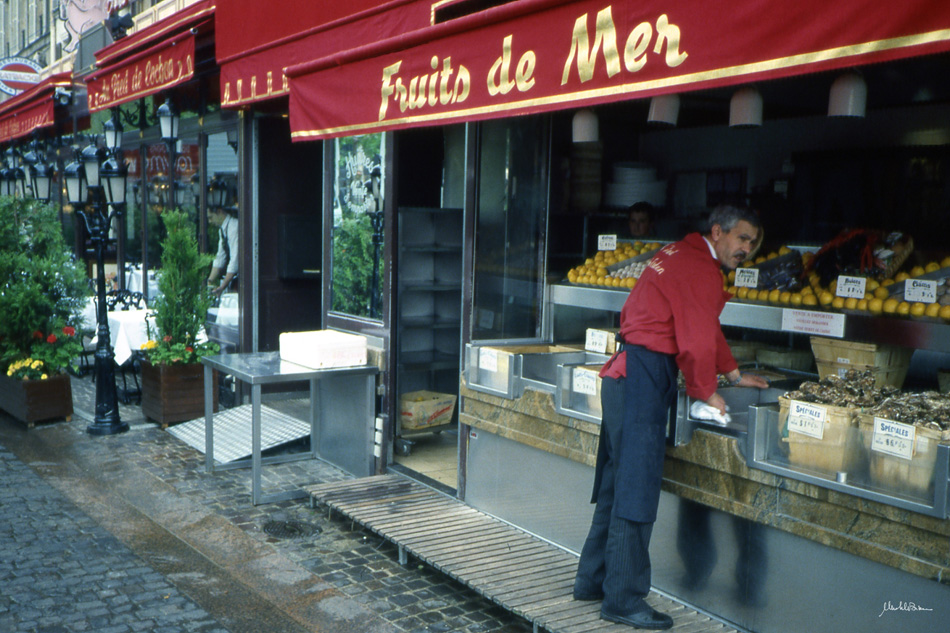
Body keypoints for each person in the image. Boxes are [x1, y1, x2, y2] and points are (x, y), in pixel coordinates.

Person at [573, 204, 770, 630]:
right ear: (717, 232)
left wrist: (733, 372)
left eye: (752, 243)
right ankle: (623, 600)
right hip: (642, 377)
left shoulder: (679, 254)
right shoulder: (700, 268)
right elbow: (696, 341)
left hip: (624, 374)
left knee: (614, 485)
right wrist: (706, 391)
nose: (746, 249)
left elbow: (705, 326)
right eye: (741, 239)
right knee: (636, 488)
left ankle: (592, 580)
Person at [207, 206, 239, 296]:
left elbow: (235, 261)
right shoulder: (222, 230)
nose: (210, 221)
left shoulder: (233, 227)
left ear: (219, 212)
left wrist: (222, 287)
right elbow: (220, 258)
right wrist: (209, 282)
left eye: (211, 217)